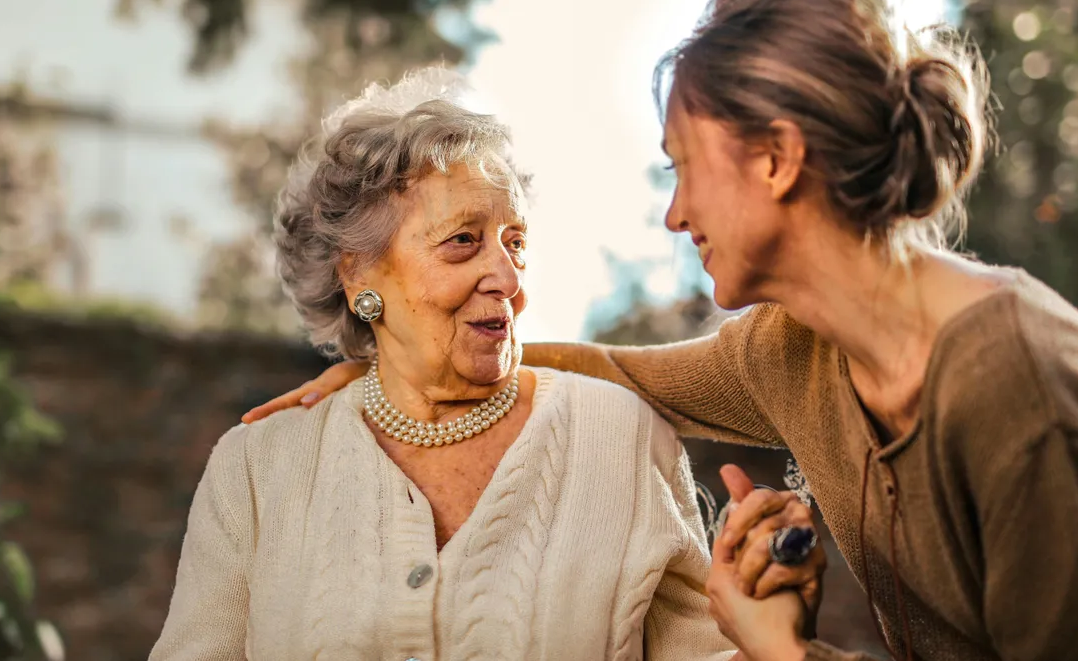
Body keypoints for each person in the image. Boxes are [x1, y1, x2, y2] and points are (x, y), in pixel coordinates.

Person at [243, 0, 1078, 661]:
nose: (675, 214)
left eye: (682, 165)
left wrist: (778, 653)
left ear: (776, 160)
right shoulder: (794, 349)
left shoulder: (1018, 393)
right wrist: (397, 361)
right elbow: (610, 370)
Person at [150, 69, 746, 660]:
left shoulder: (622, 438)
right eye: (464, 240)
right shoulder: (256, 469)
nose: (509, 279)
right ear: (357, 274)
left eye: (515, 242)